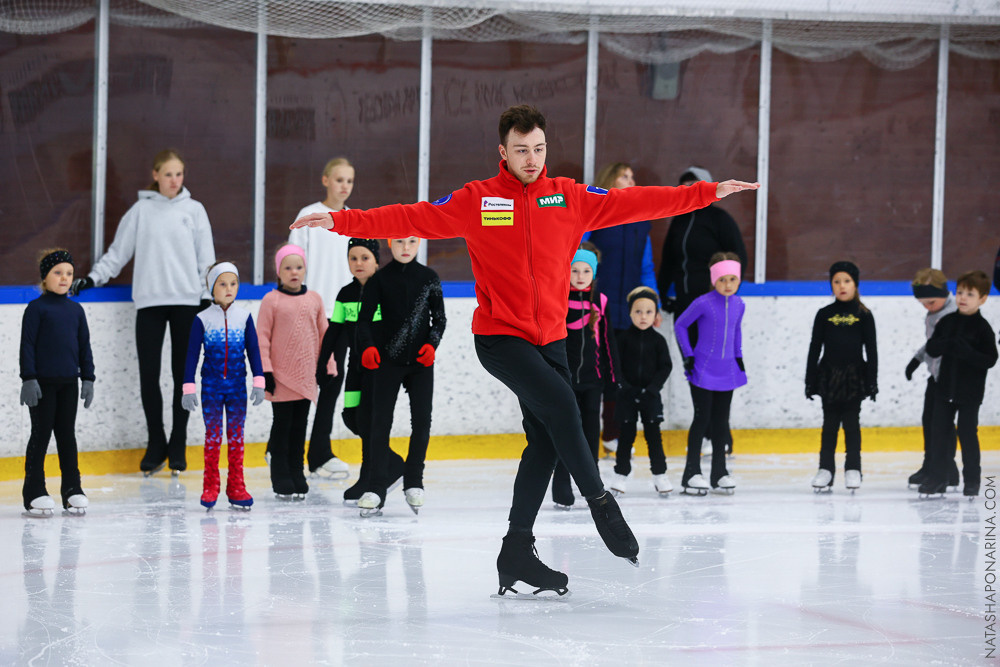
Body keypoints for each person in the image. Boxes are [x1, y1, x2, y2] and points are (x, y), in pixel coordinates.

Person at [292, 104, 759, 597]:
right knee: (563, 407)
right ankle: (600, 501)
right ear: (503, 152)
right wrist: (345, 221)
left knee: (545, 440)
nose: (532, 158)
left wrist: (706, 193)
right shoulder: (479, 200)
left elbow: (639, 202)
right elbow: (415, 216)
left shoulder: (570, 197)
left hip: (551, 339)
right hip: (499, 337)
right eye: (521, 150)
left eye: (538, 149)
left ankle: (516, 550)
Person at [70, 149, 215, 476]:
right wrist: (93, 278)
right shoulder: (141, 211)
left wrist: (207, 296)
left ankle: (178, 442)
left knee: (184, 377)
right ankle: (156, 442)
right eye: (168, 174)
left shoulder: (194, 210)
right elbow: (118, 253)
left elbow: (206, 258)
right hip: (149, 303)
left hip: (187, 303)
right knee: (148, 375)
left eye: (179, 175)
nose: (174, 181)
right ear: (155, 175)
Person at [658, 166, 748, 457]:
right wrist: (663, 294)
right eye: (684, 186)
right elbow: (670, 261)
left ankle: (720, 435)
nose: (690, 190)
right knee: (697, 366)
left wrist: (727, 294)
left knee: (716, 364)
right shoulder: (679, 221)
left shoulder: (720, 220)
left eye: (695, 185)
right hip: (687, 303)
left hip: (713, 306)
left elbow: (737, 257)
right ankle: (709, 431)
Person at [355, 236, 446, 516]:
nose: (405, 248)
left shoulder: (429, 278)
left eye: (411, 241)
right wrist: (368, 346)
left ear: (419, 243)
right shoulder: (379, 280)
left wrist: (432, 344)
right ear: (389, 244)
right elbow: (364, 320)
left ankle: (414, 480)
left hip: (420, 363)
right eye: (398, 242)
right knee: (379, 421)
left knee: (422, 419)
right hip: (387, 361)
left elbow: (439, 319)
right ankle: (375, 487)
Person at [582, 163, 660, 455]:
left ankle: (611, 432)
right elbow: (579, 255)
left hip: (627, 310)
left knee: (620, 375)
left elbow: (646, 268)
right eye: (624, 176)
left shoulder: (642, 221)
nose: (632, 180)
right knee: (593, 374)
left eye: (633, 176)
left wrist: (654, 305)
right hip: (595, 308)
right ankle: (585, 435)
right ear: (608, 181)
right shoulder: (595, 215)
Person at [289, 157, 356, 479]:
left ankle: (319, 453)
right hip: (309, 315)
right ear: (326, 180)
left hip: (340, 317)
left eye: (350, 181)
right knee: (299, 385)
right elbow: (293, 263)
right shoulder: (309, 216)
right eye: (340, 179)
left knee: (331, 384)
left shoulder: (354, 221)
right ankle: (283, 449)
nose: (345, 186)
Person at [181, 262, 266, 510]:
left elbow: (253, 350)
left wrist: (258, 381)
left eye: (233, 283)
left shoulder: (244, 317)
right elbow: (191, 355)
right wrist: (189, 387)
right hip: (212, 388)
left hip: (238, 387)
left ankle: (237, 486)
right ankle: (210, 485)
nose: (229, 289)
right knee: (213, 437)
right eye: (222, 284)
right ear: (211, 288)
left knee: (237, 438)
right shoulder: (202, 319)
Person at [20, 249, 95, 515]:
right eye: (58, 273)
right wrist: (28, 379)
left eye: (69, 273)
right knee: (40, 436)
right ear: (45, 277)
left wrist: (88, 378)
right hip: (42, 385)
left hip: (68, 385)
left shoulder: (75, 311)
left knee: (67, 436)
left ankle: (72, 489)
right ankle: (34, 491)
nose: (64, 278)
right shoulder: (36, 309)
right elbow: (27, 346)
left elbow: (84, 347)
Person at [257, 244, 330, 499]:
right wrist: (264, 372)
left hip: (306, 376)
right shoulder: (271, 300)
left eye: (298, 267)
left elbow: (324, 335)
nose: (294, 272)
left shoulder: (314, 299)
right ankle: (280, 475)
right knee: (282, 427)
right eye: (287, 268)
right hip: (280, 378)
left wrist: (327, 366)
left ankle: (297, 473)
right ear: (279, 271)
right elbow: (262, 338)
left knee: (300, 428)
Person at [551, 243, 618, 509]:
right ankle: (561, 482)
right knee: (565, 432)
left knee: (591, 433)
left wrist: (614, 378)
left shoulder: (600, 302)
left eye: (586, 271)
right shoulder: (556, 299)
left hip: (593, 380)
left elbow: (609, 341)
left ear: (594, 273)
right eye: (574, 270)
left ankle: (593, 484)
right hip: (563, 381)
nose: (580, 276)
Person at [920, 270, 998, 498]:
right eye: (960, 292)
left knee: (967, 434)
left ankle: (972, 481)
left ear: (982, 299)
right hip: (944, 390)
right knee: (939, 433)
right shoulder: (947, 321)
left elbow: (990, 359)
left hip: (969, 394)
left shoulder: (983, 329)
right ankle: (938, 478)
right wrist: (945, 344)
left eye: (970, 294)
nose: (963, 298)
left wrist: (966, 352)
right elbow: (932, 348)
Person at [316, 238, 382, 505]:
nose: (358, 263)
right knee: (351, 416)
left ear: (376, 260)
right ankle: (387, 464)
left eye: (365, 258)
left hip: (378, 371)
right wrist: (322, 362)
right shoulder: (345, 294)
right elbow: (333, 332)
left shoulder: (384, 291)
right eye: (353, 258)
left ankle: (369, 477)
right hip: (355, 368)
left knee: (370, 421)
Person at [674, 252, 746, 495]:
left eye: (732, 279)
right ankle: (691, 473)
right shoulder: (703, 302)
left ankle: (719, 473)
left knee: (721, 422)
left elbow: (736, 333)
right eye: (722, 279)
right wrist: (689, 355)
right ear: (714, 279)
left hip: (727, 371)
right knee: (702, 418)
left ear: (738, 280)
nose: (728, 285)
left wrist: (739, 357)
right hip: (702, 369)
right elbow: (681, 324)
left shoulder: (739, 304)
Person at [804, 261, 878, 493]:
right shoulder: (824, 314)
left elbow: (872, 350)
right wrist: (810, 379)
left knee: (852, 424)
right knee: (829, 425)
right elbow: (815, 348)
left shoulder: (864, 315)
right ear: (831, 285)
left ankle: (853, 468)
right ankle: (825, 469)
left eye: (847, 281)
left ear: (855, 284)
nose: (842, 286)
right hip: (829, 376)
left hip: (855, 377)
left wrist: (872, 380)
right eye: (836, 282)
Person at [608, 287, 673, 497]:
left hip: (650, 397)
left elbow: (666, 367)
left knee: (654, 436)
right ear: (629, 313)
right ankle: (621, 474)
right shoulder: (623, 339)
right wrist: (624, 387)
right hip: (627, 396)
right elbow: (615, 366)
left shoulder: (659, 341)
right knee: (626, 437)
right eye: (638, 311)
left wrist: (653, 389)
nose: (643, 316)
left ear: (656, 315)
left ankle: (660, 474)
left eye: (648, 312)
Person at [903, 268, 958, 490]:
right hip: (935, 377)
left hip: (951, 378)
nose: (927, 307)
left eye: (931, 302)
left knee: (942, 425)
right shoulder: (935, 312)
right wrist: (916, 360)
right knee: (929, 421)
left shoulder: (955, 314)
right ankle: (931, 466)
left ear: (944, 293)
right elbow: (933, 343)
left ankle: (944, 471)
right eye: (923, 303)